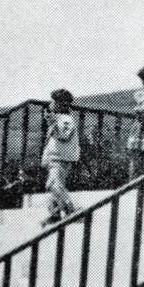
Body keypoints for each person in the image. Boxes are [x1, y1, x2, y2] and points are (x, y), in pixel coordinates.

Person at [41, 89, 80, 226]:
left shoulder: (66, 119)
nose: (50, 104)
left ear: (60, 104)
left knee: (53, 185)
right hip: (54, 157)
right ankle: (55, 213)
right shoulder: (58, 119)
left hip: (61, 158)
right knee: (56, 185)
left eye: (52, 102)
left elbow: (64, 136)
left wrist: (53, 123)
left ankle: (72, 210)